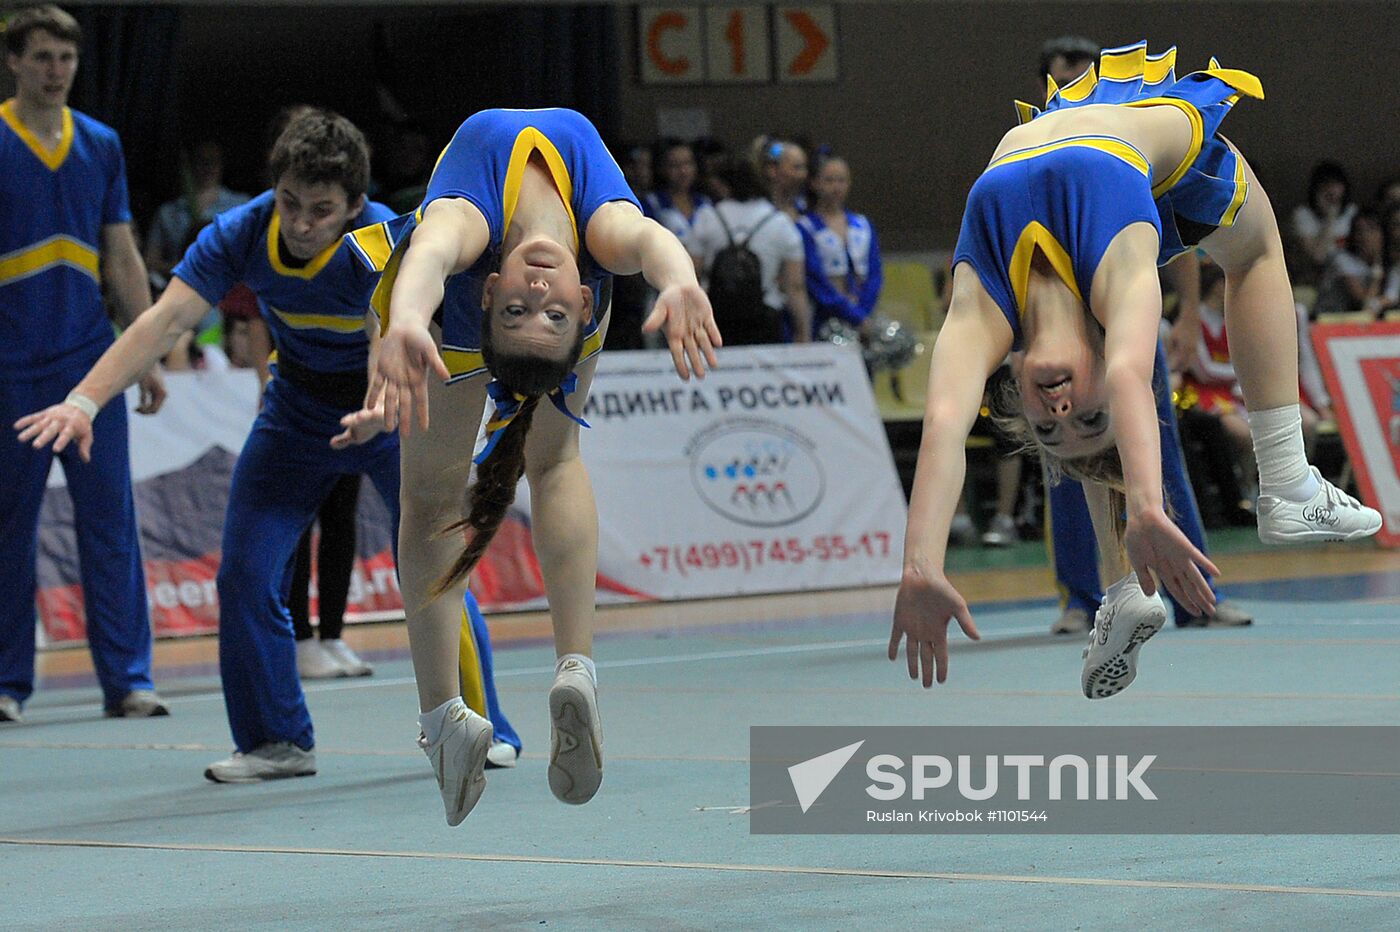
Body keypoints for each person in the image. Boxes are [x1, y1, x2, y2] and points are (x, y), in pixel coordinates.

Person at [890, 41, 1382, 697]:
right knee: (1258, 250)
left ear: (1016, 393)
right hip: (1154, 146)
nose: (1061, 413)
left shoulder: (981, 311)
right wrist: (1149, 507)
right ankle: (1287, 481)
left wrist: (920, 565)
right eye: (1087, 419)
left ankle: (1124, 591)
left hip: (1077, 120)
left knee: (1110, 443)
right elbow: (1126, 376)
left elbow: (945, 426)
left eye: (1049, 430)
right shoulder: (1122, 283)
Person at [339, 107, 718, 825]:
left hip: (440, 319)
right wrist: (677, 278)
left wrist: (410, 322)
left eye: (521, 311)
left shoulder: (475, 233)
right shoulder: (595, 247)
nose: (539, 299)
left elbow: (431, 249)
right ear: (580, 304)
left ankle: (446, 717)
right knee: (551, 460)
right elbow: (646, 237)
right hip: (466, 317)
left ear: (491, 294)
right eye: (546, 314)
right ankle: (568, 671)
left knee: (432, 494)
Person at [16, 108, 414, 781]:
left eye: (321, 209)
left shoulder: (382, 240)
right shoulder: (242, 231)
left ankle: (481, 724)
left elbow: (388, 336)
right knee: (245, 574)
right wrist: (86, 400)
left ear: (354, 205)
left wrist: (380, 406)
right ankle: (275, 741)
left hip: (391, 405)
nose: (301, 222)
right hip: (294, 411)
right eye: (290, 202)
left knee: (434, 568)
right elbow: (166, 318)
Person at [1033, 35, 1250, 636]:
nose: (1074, 90)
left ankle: (1197, 598)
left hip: (1132, 316)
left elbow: (1176, 228)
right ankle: (1081, 600)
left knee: (1159, 448)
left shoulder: (1130, 136)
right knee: (1066, 458)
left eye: (1083, 76)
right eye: (1063, 80)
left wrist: (1182, 316)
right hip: (1064, 329)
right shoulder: (1032, 150)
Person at [1, 5, 168, 724]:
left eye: (65, 58)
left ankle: (129, 679)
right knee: (9, 526)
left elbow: (122, 251)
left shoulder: (101, 143)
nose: (55, 70)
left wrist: (146, 349)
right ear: (13, 62)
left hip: (87, 366)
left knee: (110, 522)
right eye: (41, 57)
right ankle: (7, 684)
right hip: (8, 367)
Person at [686, 154, 811, 345]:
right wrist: (802, 332)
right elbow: (795, 286)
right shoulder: (781, 223)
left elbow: (691, 274)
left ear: (724, 184)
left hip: (715, 315)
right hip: (765, 317)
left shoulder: (707, 217)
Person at [289, 474, 373, 679]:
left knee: (342, 513)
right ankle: (300, 638)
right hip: (298, 445)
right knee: (297, 518)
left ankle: (332, 636)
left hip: (346, 443)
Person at [798, 152, 883, 340]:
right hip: (825, 318)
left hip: (863, 318)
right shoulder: (806, 227)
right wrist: (851, 313)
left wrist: (862, 313)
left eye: (842, 180)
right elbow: (815, 280)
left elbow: (874, 273)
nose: (836, 187)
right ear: (814, 183)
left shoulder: (862, 225)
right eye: (829, 181)